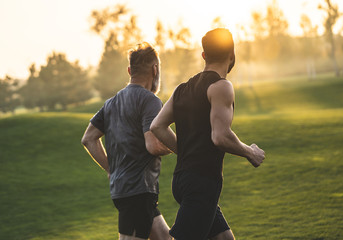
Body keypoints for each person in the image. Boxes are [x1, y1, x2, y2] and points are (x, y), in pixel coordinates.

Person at [150, 28, 265, 240]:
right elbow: (220, 136)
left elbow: (157, 126)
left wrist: (184, 151)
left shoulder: (181, 89)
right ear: (232, 54)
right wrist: (251, 152)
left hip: (183, 180)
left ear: (204, 55)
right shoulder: (221, 87)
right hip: (201, 183)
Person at [81, 42, 173, 240]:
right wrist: (176, 147)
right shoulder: (150, 100)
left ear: (130, 70)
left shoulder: (110, 103)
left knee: (164, 237)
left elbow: (88, 139)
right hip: (138, 189)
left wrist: (110, 169)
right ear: (155, 70)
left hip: (124, 189)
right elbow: (154, 145)